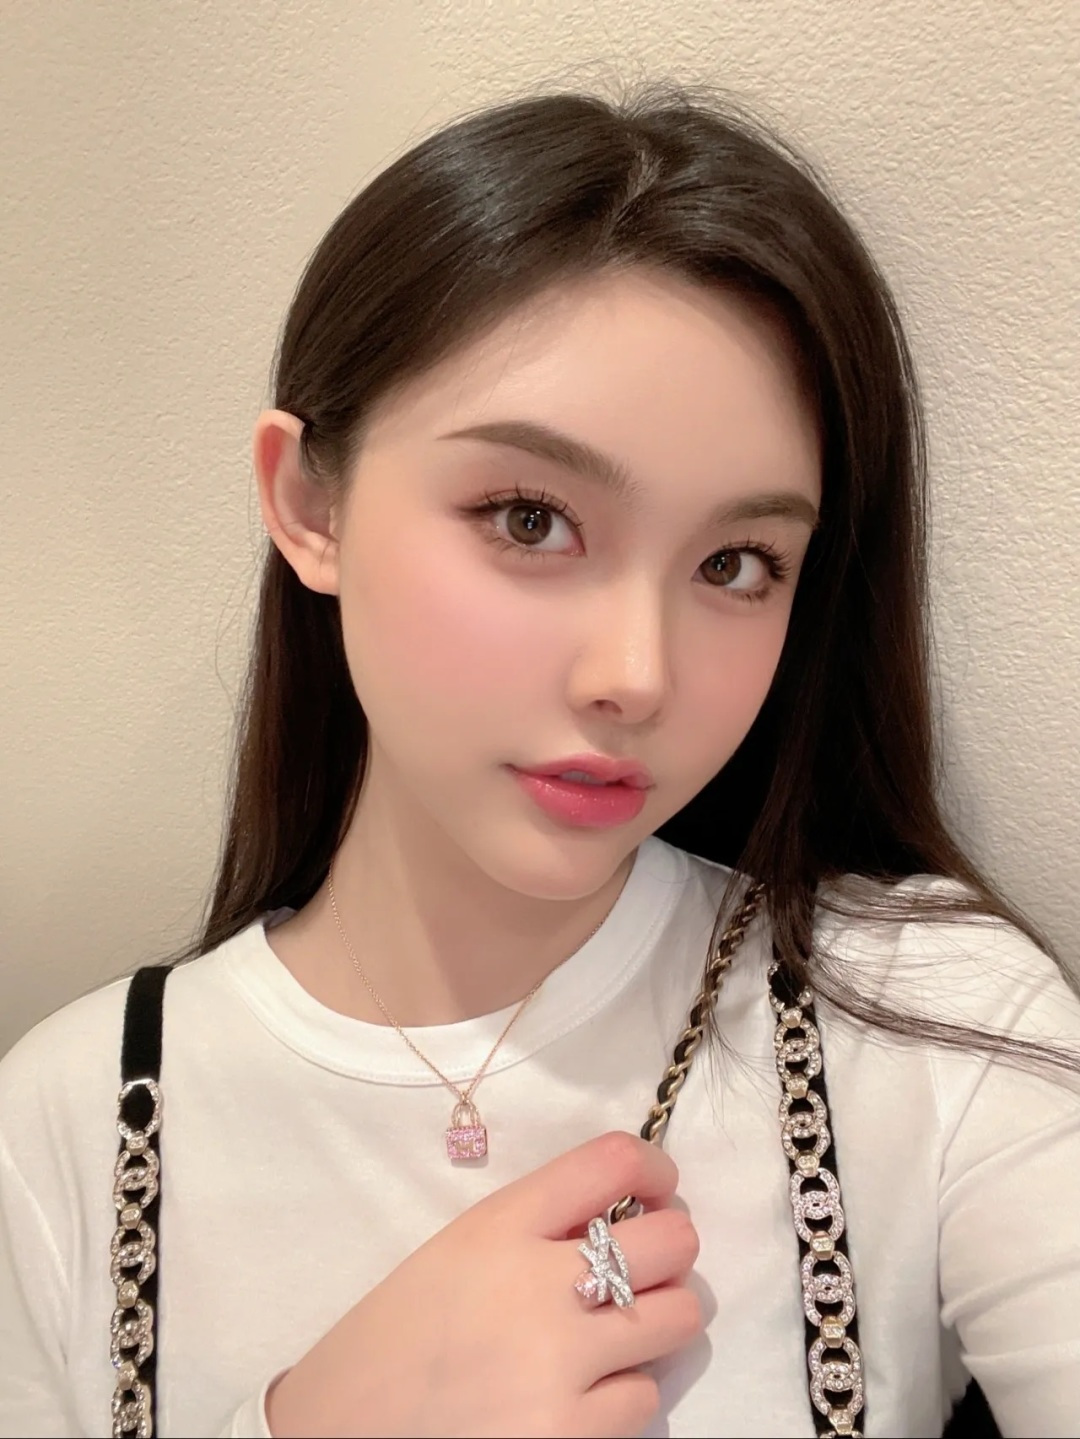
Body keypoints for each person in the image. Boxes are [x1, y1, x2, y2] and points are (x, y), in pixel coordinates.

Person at [1, 82, 1077, 1439]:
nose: (637, 672)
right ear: (309, 503)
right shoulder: (70, 1124)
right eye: (529, 519)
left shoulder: (927, 1024)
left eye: (736, 564)